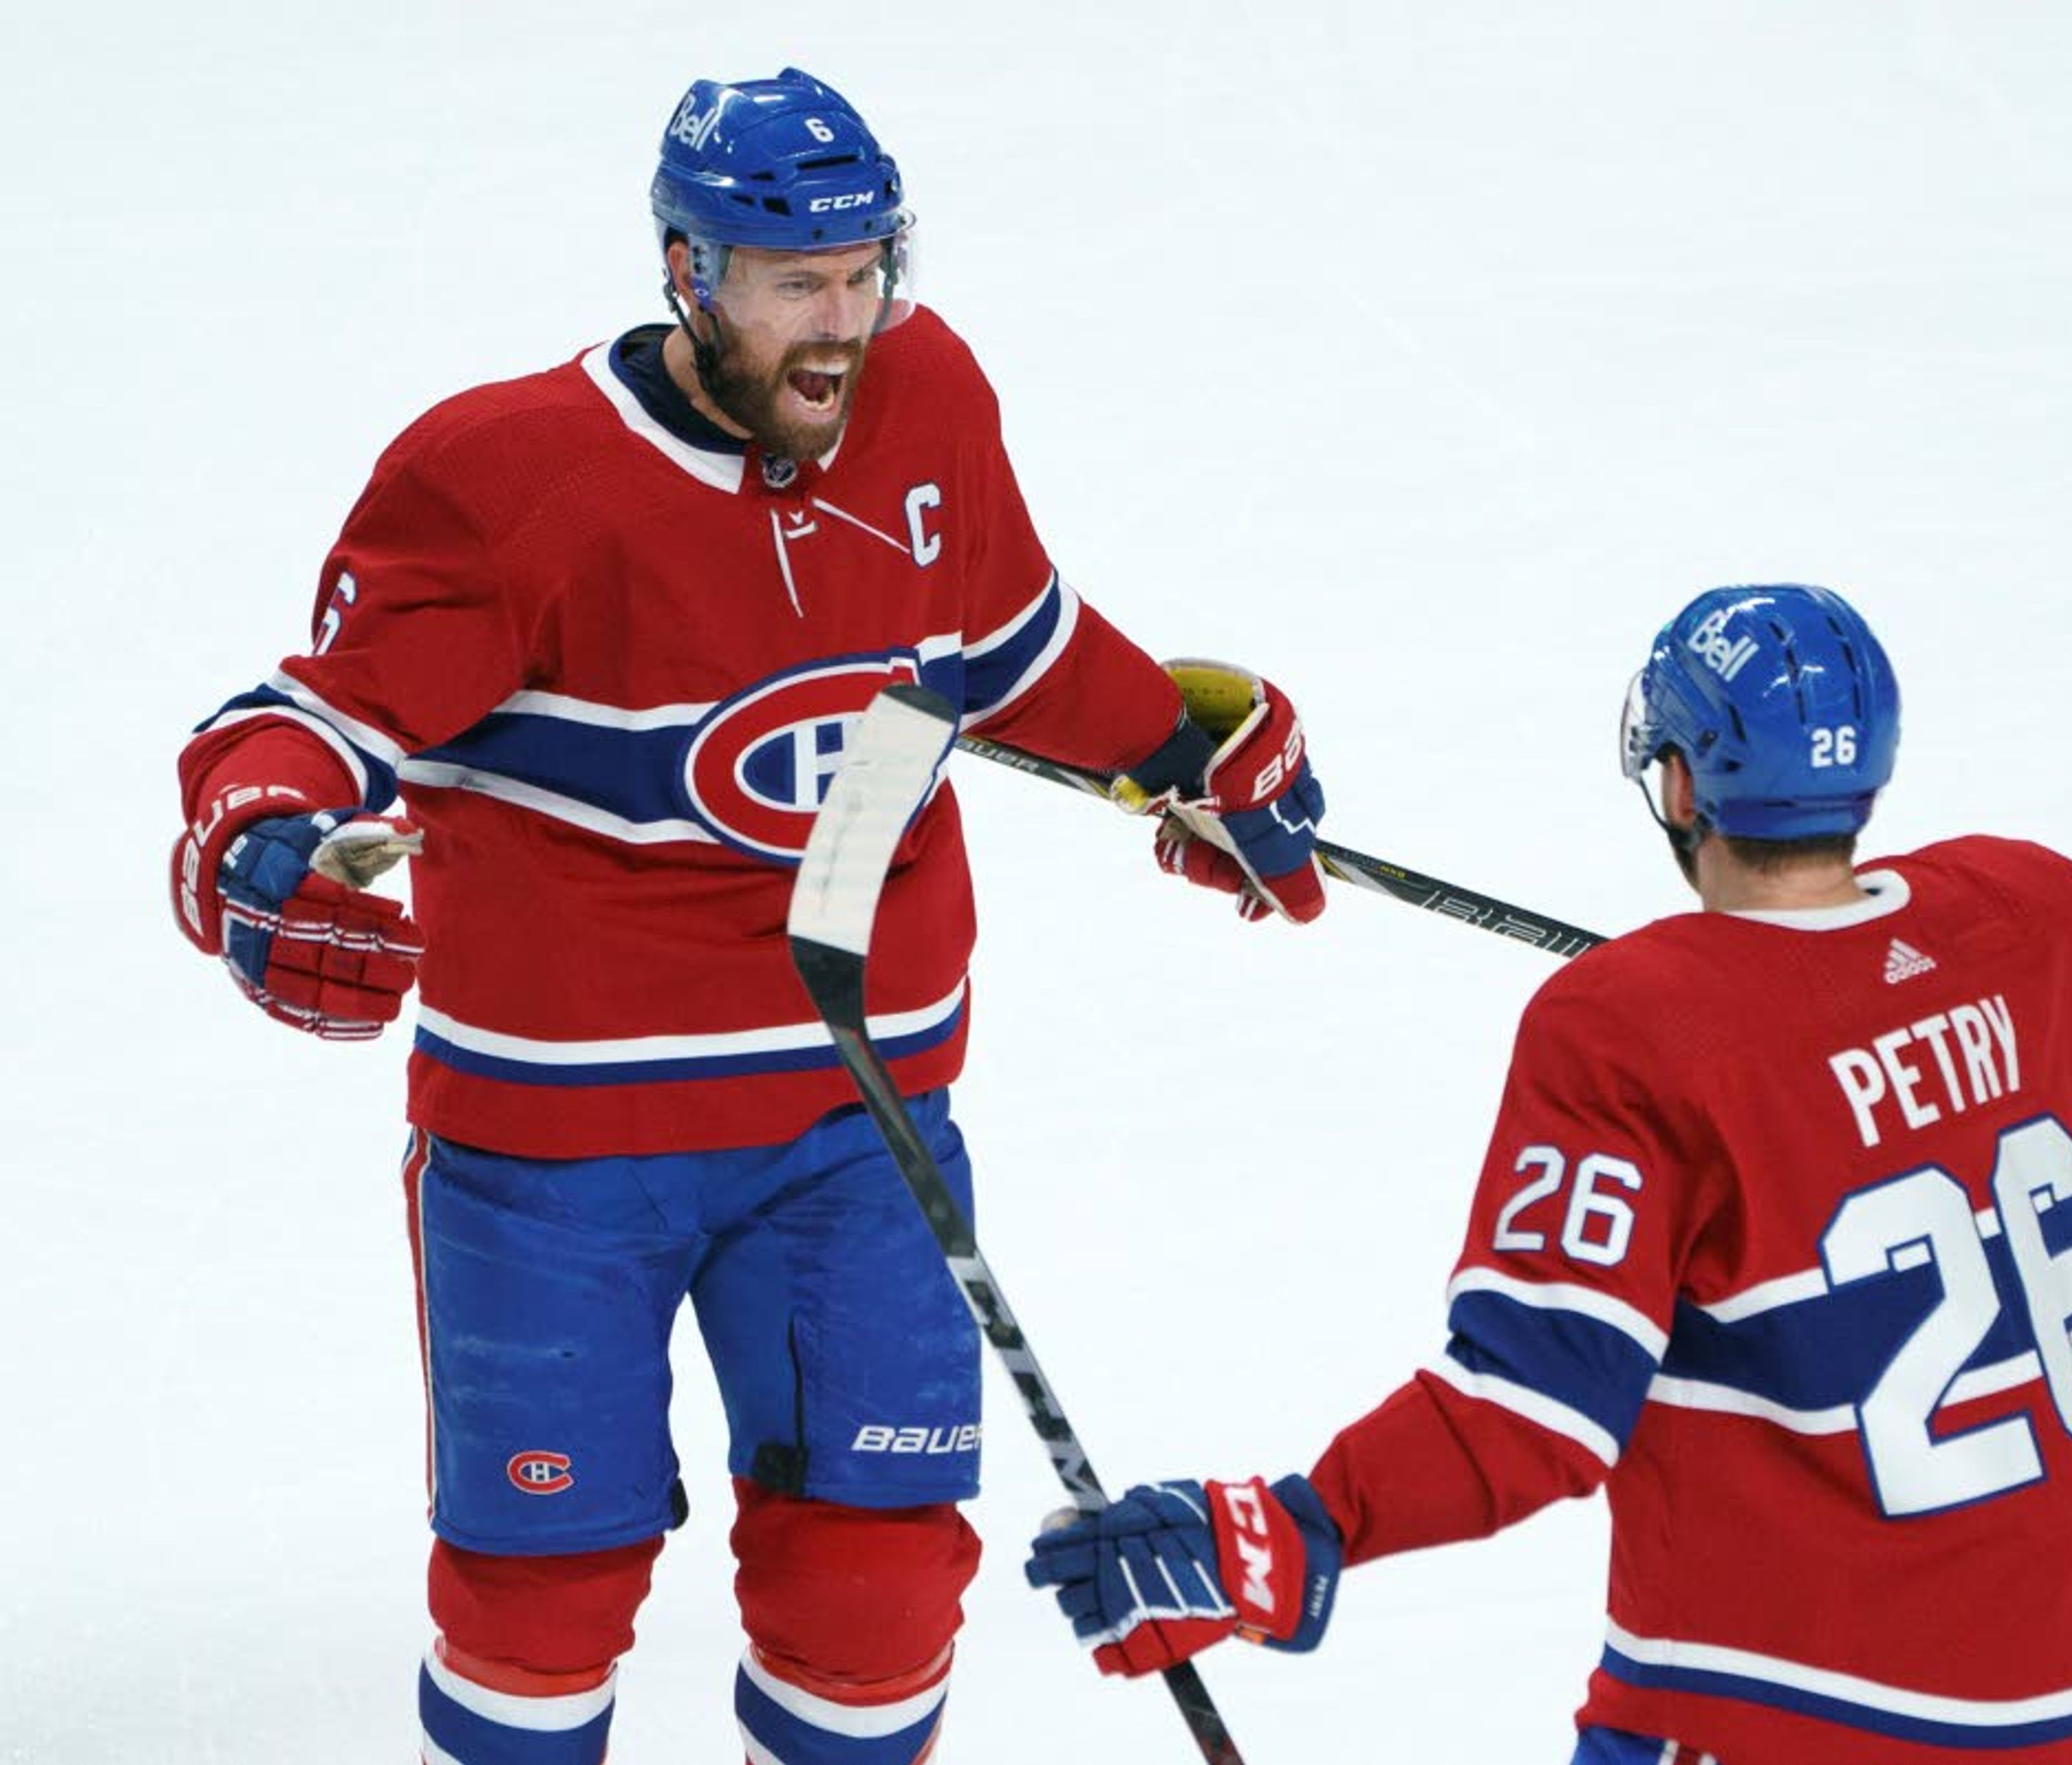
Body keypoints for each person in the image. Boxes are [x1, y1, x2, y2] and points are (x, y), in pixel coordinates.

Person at [168, 67, 1328, 1765]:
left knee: (875, 1600)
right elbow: (296, 730)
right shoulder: (509, 482)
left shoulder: (927, 400)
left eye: (869, 271)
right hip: (558, 1159)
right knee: (538, 1606)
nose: (844, 323)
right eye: (798, 282)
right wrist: (264, 855)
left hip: (857, 1125)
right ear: (686, 269)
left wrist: (1181, 748)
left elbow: (1009, 655)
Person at [1024, 584, 2072, 1764]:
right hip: (2068, 1720)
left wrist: (1288, 1528)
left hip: (1766, 1717)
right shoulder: (2026, 927)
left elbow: (1537, 1407)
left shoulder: (1631, 1028)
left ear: (1684, 789)